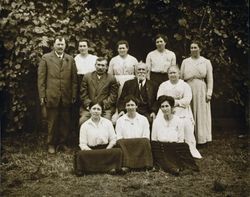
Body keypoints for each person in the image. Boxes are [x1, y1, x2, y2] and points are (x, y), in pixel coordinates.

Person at [37, 36, 78, 154]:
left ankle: (63, 143)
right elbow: (41, 79)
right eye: (58, 44)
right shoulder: (46, 58)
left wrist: (74, 94)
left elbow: (74, 80)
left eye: (62, 45)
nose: (60, 47)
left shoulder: (70, 59)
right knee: (52, 121)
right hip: (52, 95)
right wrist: (42, 96)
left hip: (66, 95)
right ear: (54, 45)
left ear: (65, 46)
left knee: (65, 121)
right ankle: (51, 144)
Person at [157, 65, 202, 158]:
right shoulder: (163, 85)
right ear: (168, 74)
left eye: (174, 72)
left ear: (179, 74)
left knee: (186, 123)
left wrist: (174, 102)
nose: (172, 75)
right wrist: (168, 105)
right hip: (166, 108)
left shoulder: (185, 85)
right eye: (170, 73)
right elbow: (159, 98)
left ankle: (187, 149)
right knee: (161, 121)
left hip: (181, 108)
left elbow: (187, 100)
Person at [151, 96, 199, 175]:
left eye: (167, 106)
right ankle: (173, 168)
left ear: (171, 107)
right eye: (162, 107)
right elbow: (154, 139)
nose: (165, 109)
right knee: (161, 155)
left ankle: (179, 167)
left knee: (184, 146)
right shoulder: (157, 121)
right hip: (161, 147)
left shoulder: (178, 120)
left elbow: (181, 138)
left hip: (175, 147)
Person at [75, 101, 122, 175]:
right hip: (91, 151)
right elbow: (83, 144)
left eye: (98, 109)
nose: (96, 111)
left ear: (101, 111)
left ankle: (92, 168)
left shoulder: (108, 123)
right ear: (90, 110)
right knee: (80, 154)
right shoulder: (84, 125)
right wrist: (91, 152)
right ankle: (107, 167)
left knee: (118, 151)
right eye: (94, 109)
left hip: (106, 149)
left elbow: (113, 139)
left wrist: (107, 149)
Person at [180, 40, 213, 144]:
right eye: (191, 48)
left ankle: (202, 138)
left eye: (195, 47)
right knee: (188, 112)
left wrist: (209, 92)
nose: (193, 50)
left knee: (201, 113)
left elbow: (210, 79)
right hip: (188, 88)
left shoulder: (206, 62)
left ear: (200, 49)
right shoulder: (185, 62)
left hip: (201, 89)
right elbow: (181, 77)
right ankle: (189, 138)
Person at [115, 95, 153, 172]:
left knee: (145, 141)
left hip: (140, 145)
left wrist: (137, 142)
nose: (130, 107)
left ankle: (144, 164)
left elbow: (146, 136)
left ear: (136, 106)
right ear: (125, 107)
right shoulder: (120, 120)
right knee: (120, 142)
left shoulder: (143, 119)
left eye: (132, 105)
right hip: (126, 146)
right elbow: (119, 137)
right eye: (128, 105)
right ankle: (127, 165)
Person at [79, 57, 119, 125]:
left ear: (106, 67)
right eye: (98, 65)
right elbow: (83, 94)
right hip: (89, 108)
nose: (100, 67)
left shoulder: (111, 78)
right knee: (83, 121)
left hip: (105, 109)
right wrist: (89, 105)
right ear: (95, 65)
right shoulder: (87, 76)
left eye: (103, 65)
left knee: (107, 122)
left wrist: (103, 105)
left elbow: (113, 95)